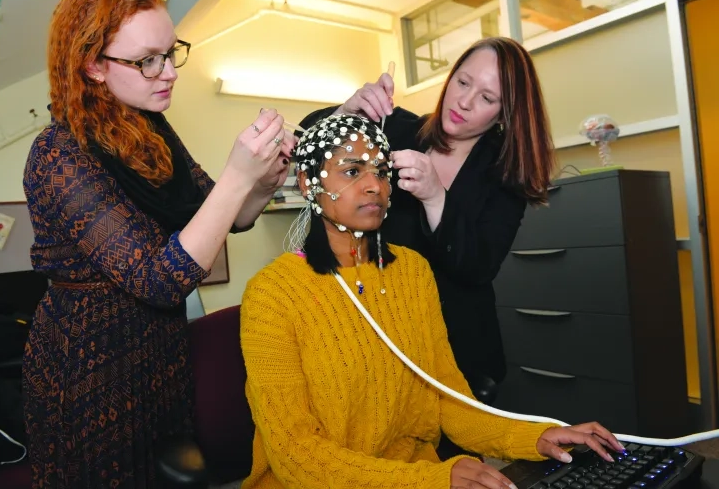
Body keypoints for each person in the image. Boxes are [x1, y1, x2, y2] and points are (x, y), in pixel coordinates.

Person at [239, 114, 621, 489]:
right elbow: (295, 457)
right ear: (308, 183)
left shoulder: (413, 272)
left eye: (382, 171)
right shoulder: (272, 294)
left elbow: (449, 401)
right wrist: (430, 479)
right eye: (353, 171)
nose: (375, 186)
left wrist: (537, 436)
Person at [21, 0, 295, 486]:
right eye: (147, 60)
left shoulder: (151, 128)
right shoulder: (58, 153)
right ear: (93, 66)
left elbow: (227, 215)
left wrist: (261, 181)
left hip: (160, 350)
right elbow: (160, 277)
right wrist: (238, 176)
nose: (169, 71)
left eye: (171, 52)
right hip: (91, 366)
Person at [300, 37, 556, 407]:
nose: (464, 102)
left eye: (487, 98)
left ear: (504, 114)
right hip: (376, 338)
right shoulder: (397, 129)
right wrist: (348, 110)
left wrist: (436, 196)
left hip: (455, 352)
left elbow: (477, 268)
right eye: (463, 82)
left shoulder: (504, 175)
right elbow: (307, 142)